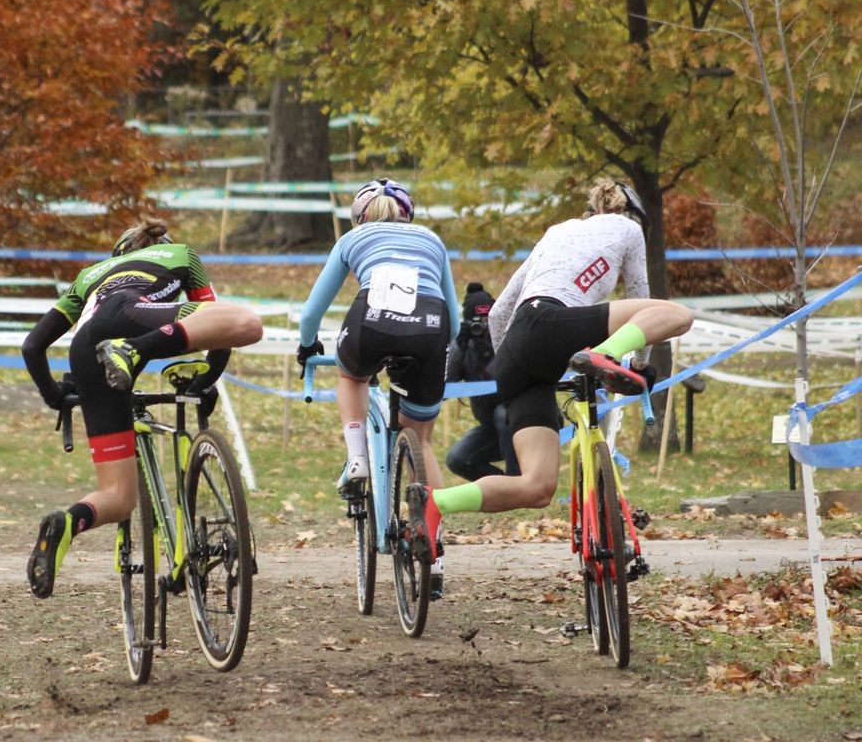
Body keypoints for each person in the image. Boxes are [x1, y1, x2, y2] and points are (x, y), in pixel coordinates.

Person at [406, 179, 693, 555]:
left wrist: (518, 359)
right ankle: (604, 355)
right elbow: (642, 298)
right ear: (631, 212)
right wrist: (638, 365)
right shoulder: (629, 227)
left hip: (516, 352)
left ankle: (434, 502)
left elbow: (499, 313)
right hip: (552, 324)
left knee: (536, 487)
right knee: (678, 314)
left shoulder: (557, 231)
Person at [20, 219, 264, 598]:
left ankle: (67, 523)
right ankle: (133, 350)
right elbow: (215, 328)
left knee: (118, 497)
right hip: (139, 318)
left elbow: (32, 346)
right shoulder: (182, 254)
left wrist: (59, 397)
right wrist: (205, 382)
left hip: (86, 348)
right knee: (248, 323)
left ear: (118, 253)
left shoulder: (89, 275)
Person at [295, 178, 459, 490]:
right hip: (431, 327)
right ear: (407, 214)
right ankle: (431, 530)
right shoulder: (431, 239)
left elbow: (311, 313)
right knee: (422, 445)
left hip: (370, 320)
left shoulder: (353, 238)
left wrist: (307, 346)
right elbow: (456, 319)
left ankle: (357, 457)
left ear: (360, 217)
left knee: (352, 377)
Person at [445, 282, 519, 481]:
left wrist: (489, 351)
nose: (485, 326)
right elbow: (447, 385)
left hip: (524, 422)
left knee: (502, 413)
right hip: (492, 428)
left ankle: (517, 482)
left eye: (489, 318)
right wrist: (459, 346)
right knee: (457, 459)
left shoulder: (511, 335)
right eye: (479, 321)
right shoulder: (465, 345)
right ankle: (504, 487)